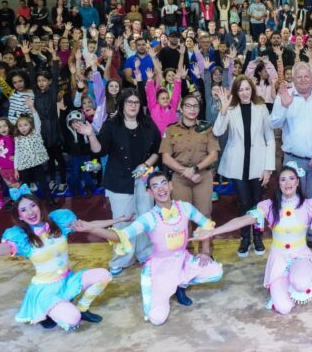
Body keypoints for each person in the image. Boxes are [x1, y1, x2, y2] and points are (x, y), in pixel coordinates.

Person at [195, 163, 312, 315]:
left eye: (291, 178)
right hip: (279, 257)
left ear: (297, 182)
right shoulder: (268, 206)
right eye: (283, 179)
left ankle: (296, 278)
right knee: (283, 308)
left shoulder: (309, 205)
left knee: (300, 284)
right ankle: (282, 281)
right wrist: (214, 231)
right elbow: (243, 219)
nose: (287, 182)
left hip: (300, 255)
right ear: (279, 184)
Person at [0, 187, 118, 330]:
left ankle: (82, 307)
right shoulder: (20, 238)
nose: (30, 212)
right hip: (45, 289)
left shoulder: (59, 222)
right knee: (73, 319)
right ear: (19, 216)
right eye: (23, 210)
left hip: (67, 279)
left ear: (39, 207)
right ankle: (48, 309)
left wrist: (118, 219)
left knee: (103, 275)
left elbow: (89, 226)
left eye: (32, 206)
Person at [78, 172, 223, 326]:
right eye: (155, 186)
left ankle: (181, 285)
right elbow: (121, 236)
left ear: (170, 185)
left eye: (163, 183)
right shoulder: (148, 218)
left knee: (215, 271)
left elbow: (206, 224)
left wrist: (205, 251)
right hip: (161, 269)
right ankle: (167, 288)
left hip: (183, 261)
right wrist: (91, 229)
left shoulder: (185, 208)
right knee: (157, 318)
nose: (161, 189)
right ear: (149, 192)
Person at [75, 89, 161, 275]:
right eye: (129, 102)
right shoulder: (111, 125)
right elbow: (99, 151)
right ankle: (122, 258)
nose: (133, 106)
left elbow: (157, 151)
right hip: (119, 181)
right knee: (124, 221)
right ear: (122, 104)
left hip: (143, 180)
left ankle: (145, 254)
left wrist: (145, 165)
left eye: (136, 102)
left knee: (145, 218)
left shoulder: (147, 124)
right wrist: (91, 134)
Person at [270, 62, 312, 255]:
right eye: (298, 77)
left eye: (306, 76)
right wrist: (283, 106)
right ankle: (293, 237)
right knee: (292, 200)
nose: (303, 80)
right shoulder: (286, 96)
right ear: (292, 78)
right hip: (292, 159)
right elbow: (273, 122)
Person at [213, 77, 276, 257]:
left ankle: (257, 237)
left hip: (258, 163)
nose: (244, 93)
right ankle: (244, 238)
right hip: (237, 165)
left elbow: (270, 138)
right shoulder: (230, 109)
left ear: (252, 90)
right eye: (240, 90)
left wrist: (268, 167)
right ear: (236, 92)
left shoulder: (261, 108)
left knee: (257, 203)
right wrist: (224, 108)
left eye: (247, 89)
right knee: (243, 203)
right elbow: (217, 132)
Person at [159, 94, 219, 219]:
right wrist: (186, 171)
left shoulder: (207, 128)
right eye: (188, 106)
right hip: (180, 179)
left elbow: (213, 155)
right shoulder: (171, 130)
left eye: (195, 106)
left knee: (204, 217)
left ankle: (204, 238)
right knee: (182, 217)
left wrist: (194, 169)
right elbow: (166, 157)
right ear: (181, 109)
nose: (192, 109)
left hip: (202, 177)